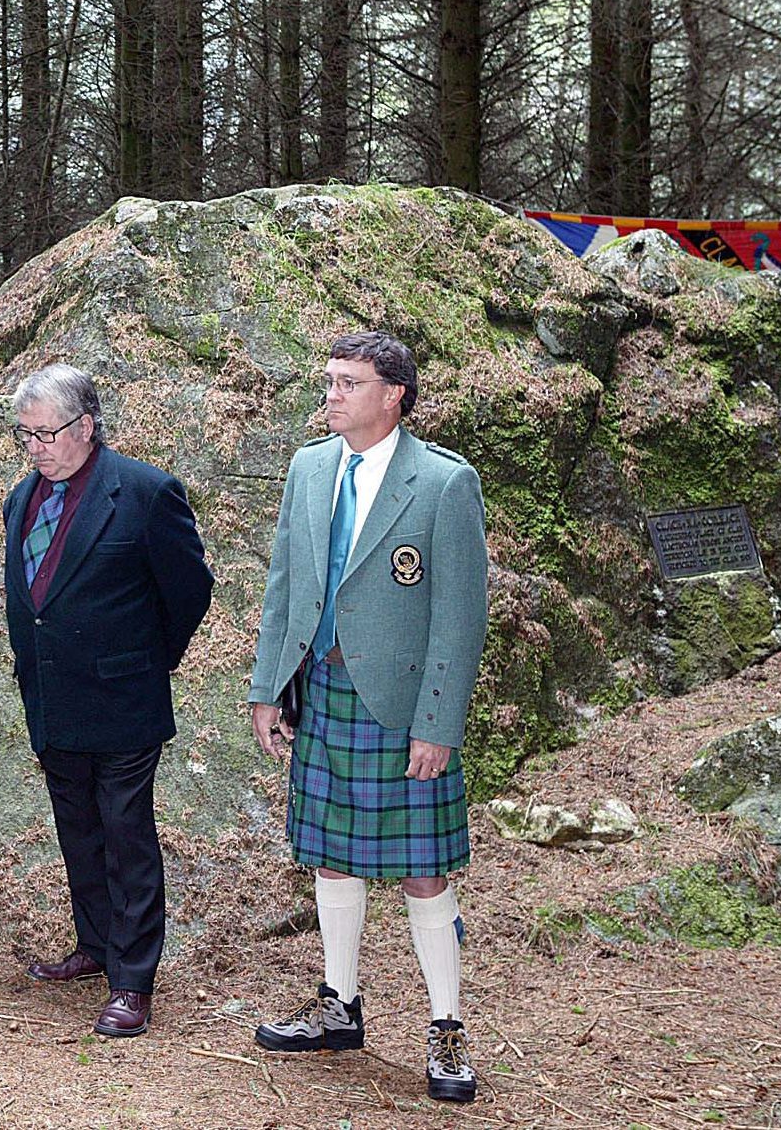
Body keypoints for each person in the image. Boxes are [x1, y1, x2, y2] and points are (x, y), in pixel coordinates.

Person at [246, 330, 489, 1103]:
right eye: (330, 380)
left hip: (400, 705)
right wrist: (267, 686)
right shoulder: (310, 468)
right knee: (330, 858)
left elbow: (460, 618)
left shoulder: (445, 484)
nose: (332, 393)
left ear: (394, 396)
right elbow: (285, 584)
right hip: (322, 693)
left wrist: (439, 725)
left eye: (348, 383)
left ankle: (446, 1029)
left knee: (423, 869)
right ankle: (338, 1005)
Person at [2, 364, 212, 1039]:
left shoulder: (146, 493)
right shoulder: (20, 501)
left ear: (87, 426)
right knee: (79, 830)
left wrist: (149, 661)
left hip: (124, 699)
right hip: (54, 699)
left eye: (46, 433)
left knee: (126, 835)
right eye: (24, 435)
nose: (35, 447)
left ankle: (132, 980)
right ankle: (94, 946)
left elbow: (189, 591)